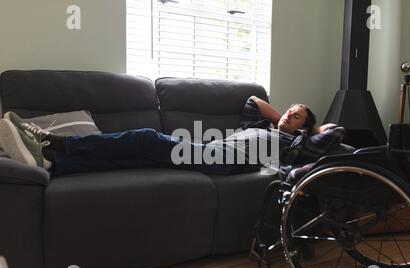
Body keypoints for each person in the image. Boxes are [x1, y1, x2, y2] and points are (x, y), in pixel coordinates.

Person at [0, 97, 343, 176]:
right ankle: (52, 162)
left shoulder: (296, 143)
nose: (287, 115)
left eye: (295, 115)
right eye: (289, 109)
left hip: (230, 162)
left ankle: (57, 142)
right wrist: (283, 114)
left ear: (304, 128)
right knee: (136, 156)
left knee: (148, 137)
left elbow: (332, 135)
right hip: (211, 150)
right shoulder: (261, 125)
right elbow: (252, 100)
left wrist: (309, 128)